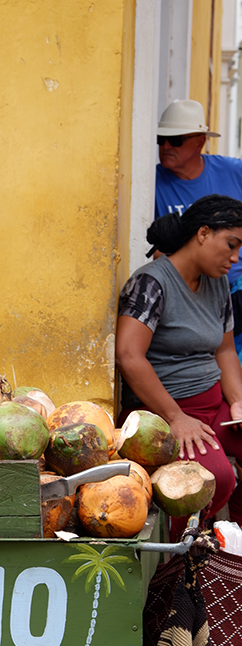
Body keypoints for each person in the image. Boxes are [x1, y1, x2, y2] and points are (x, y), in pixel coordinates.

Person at [116, 194, 242, 529]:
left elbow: (225, 351)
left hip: (214, 407)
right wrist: (174, 417)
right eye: (231, 244)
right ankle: (174, 568)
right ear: (203, 233)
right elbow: (129, 356)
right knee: (214, 478)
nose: (235, 257)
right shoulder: (152, 283)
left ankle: (232, 550)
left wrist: (238, 403)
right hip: (165, 413)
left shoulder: (218, 284)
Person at [155, 99, 242, 352]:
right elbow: (152, 248)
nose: (166, 146)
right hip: (191, 297)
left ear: (200, 142)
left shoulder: (232, 171)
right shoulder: (150, 184)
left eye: (176, 140)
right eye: (161, 139)